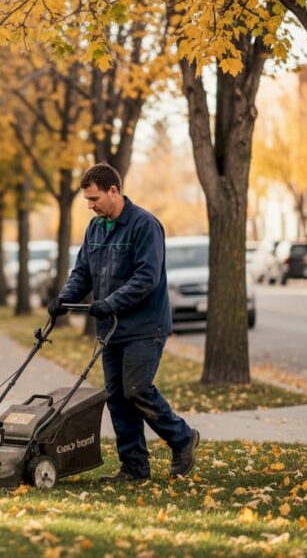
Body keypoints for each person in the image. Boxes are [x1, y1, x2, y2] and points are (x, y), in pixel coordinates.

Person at [49, 163, 199, 482]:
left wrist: (110, 303)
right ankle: (134, 467)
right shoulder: (95, 228)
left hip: (145, 326)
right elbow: (83, 272)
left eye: (94, 198)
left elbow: (147, 276)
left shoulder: (144, 225)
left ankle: (183, 438)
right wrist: (63, 299)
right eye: (88, 200)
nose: (90, 205)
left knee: (137, 389)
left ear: (113, 191)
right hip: (112, 329)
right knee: (116, 397)